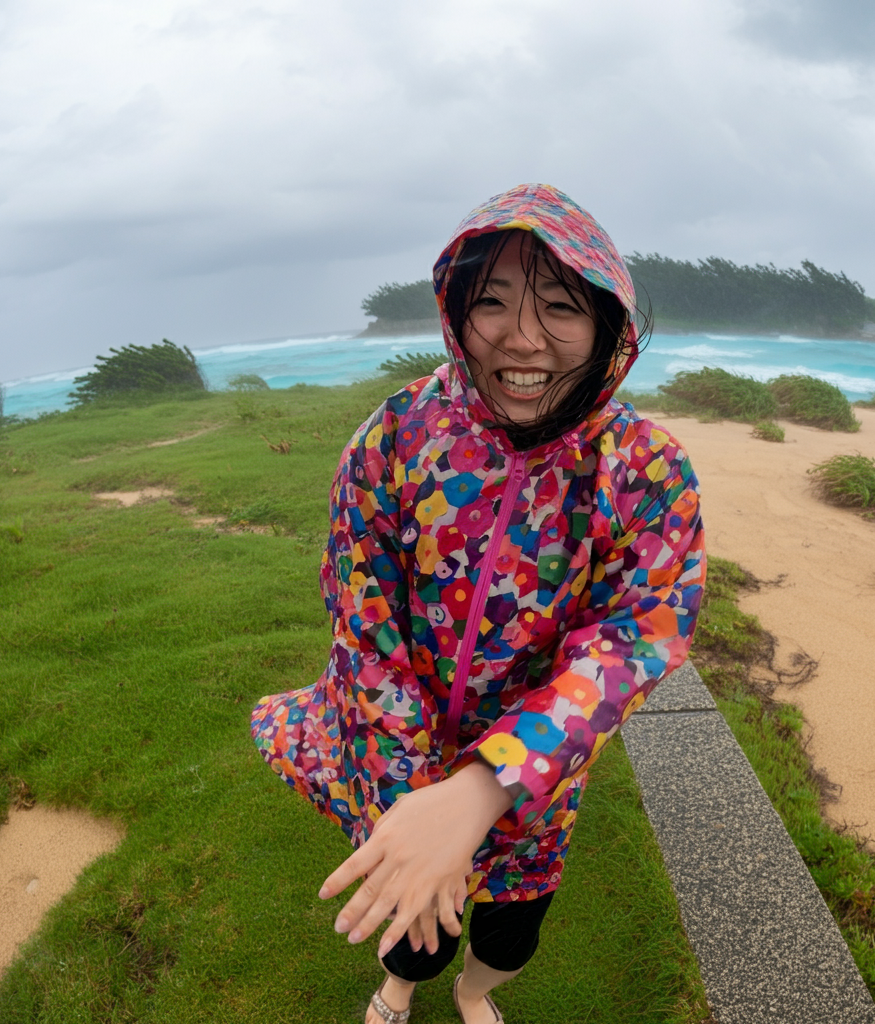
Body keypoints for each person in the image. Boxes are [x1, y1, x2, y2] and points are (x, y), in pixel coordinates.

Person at [251, 183, 705, 1024]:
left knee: (507, 937)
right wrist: (417, 797)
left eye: (560, 306)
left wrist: (488, 785)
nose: (522, 337)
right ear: (454, 313)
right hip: (401, 767)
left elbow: (631, 642)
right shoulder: (393, 440)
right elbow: (367, 635)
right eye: (490, 301)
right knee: (412, 922)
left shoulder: (645, 469)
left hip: (537, 784)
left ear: (608, 323)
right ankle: (400, 990)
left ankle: (475, 996)